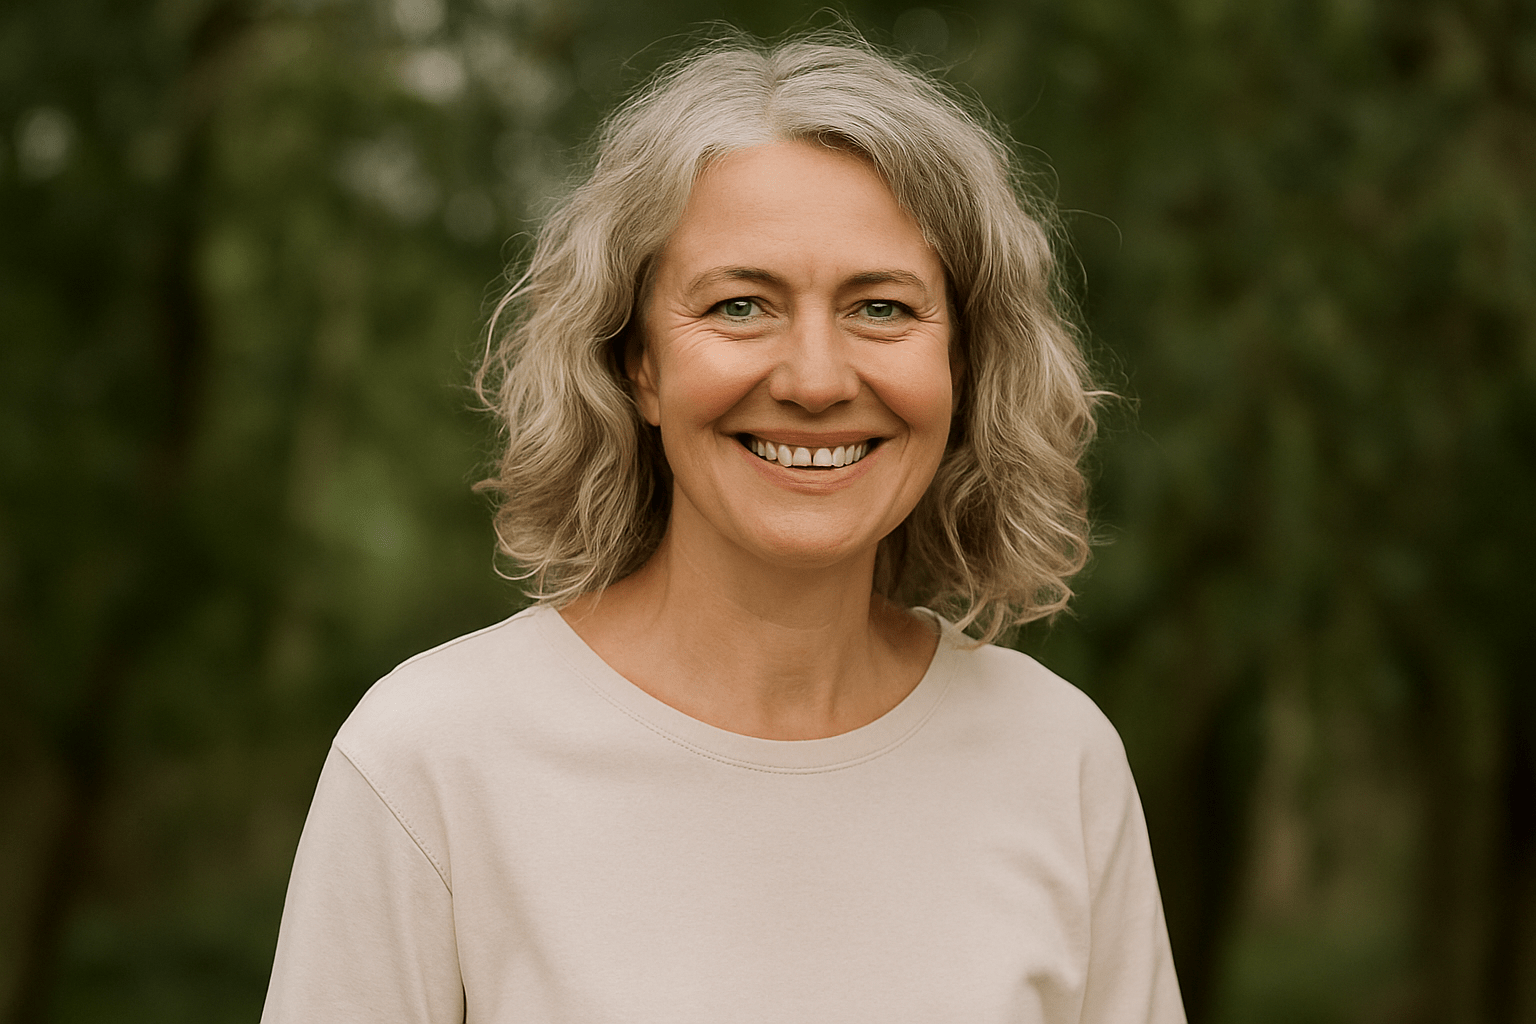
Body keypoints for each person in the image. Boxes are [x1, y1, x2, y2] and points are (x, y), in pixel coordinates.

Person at [261, 31, 1185, 1024]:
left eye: (881, 307)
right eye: (740, 305)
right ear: (638, 364)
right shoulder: (431, 762)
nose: (818, 379)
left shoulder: (1059, 761)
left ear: (963, 369)